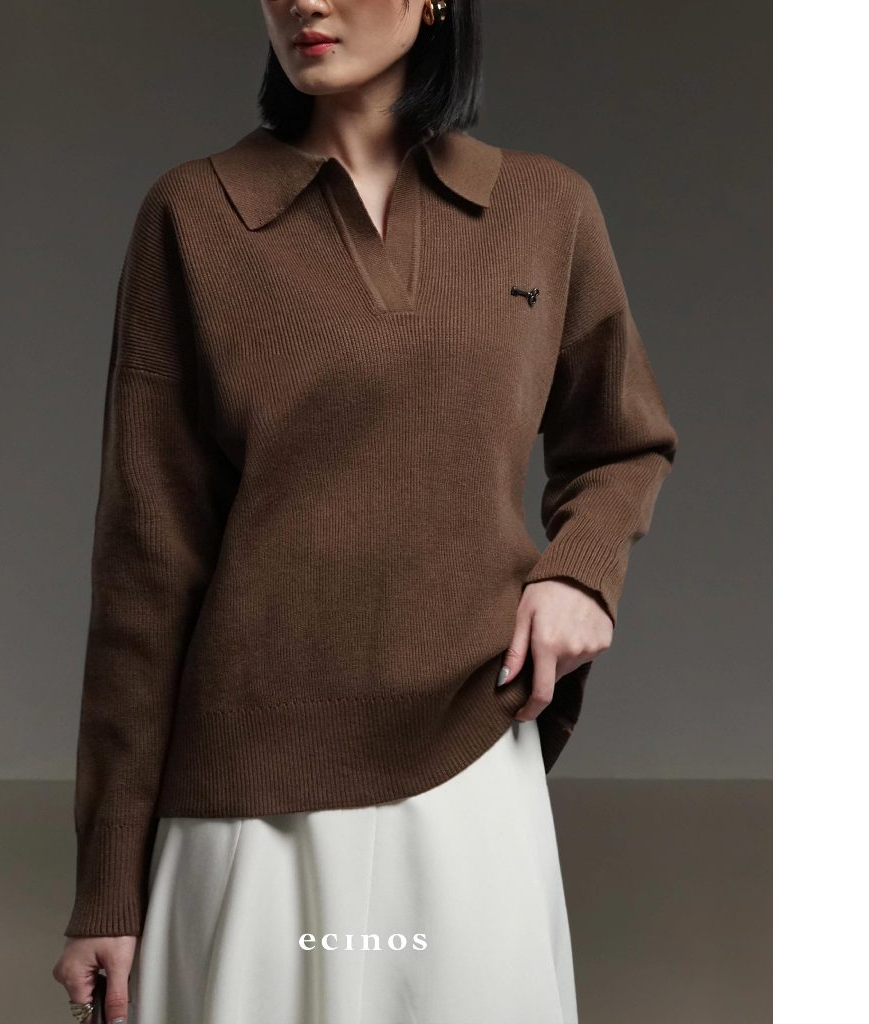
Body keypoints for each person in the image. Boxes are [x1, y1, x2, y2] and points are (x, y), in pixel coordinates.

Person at [52, 0, 679, 1021]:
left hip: (468, 762)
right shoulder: (195, 216)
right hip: (250, 796)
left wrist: (581, 572)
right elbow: (143, 569)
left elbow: (621, 441)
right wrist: (107, 889)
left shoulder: (545, 207)